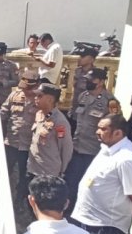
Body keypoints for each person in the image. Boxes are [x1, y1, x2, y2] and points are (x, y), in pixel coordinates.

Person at [63, 68, 117, 210]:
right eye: (87, 79)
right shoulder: (83, 96)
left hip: (93, 150)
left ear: (100, 82)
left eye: (91, 80)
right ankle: (68, 209)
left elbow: (115, 124)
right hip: (77, 146)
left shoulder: (110, 102)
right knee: (71, 181)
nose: (88, 82)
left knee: (87, 183)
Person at [0, 69, 38, 206]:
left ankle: (20, 202)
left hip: (29, 146)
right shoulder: (15, 95)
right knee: (5, 172)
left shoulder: (40, 99)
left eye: (28, 88)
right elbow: (3, 113)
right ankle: (4, 199)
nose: (25, 91)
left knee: (25, 176)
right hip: (11, 142)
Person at [27, 83, 73, 180]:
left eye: (40, 96)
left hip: (47, 173)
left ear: (50, 100)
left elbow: (66, 148)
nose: (36, 98)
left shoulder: (60, 122)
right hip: (33, 168)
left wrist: (62, 170)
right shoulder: (39, 114)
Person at [69, 44, 99, 118]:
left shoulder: (96, 74)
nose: (79, 58)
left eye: (83, 57)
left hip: (87, 113)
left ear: (92, 59)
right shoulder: (77, 71)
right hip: (75, 110)